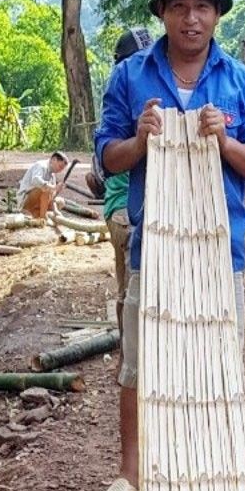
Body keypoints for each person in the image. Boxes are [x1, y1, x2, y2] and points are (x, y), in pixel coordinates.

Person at [93, 0, 245, 491]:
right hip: (156, 246)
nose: (190, 18)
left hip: (221, 253)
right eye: (179, 7)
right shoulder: (130, 77)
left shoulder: (243, 84)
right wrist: (140, 139)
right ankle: (131, 472)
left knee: (217, 362)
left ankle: (210, 476)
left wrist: (224, 142)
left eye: (202, 6)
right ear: (163, 13)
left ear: (217, 14)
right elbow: (106, 158)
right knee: (140, 363)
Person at [100, 27, 155, 339]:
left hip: (148, 212)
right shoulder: (122, 98)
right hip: (123, 210)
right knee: (132, 287)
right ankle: (128, 355)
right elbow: (103, 162)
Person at [17, 151, 68, 219]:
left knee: (61, 202)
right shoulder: (41, 165)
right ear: (54, 159)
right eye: (60, 166)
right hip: (26, 200)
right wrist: (53, 187)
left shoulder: (52, 174)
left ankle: (37, 213)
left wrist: (57, 190)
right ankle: (42, 218)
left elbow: (51, 196)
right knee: (45, 189)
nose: (60, 170)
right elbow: (35, 180)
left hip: (39, 203)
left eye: (62, 169)